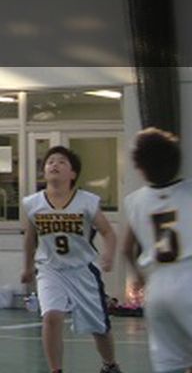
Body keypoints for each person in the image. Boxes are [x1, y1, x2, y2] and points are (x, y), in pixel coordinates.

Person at [21, 146, 122, 373]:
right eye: (50, 162)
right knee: (51, 317)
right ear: (44, 171)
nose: (54, 165)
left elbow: (108, 232)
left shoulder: (86, 201)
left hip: (82, 269)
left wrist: (108, 255)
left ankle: (110, 365)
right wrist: (27, 267)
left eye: (61, 162)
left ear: (73, 173)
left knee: (99, 326)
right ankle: (56, 369)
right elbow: (30, 237)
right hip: (50, 269)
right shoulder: (33, 203)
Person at [122, 127, 191, 373]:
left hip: (157, 290)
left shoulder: (135, 201)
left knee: (170, 364)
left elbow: (126, 249)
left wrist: (136, 276)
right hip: (188, 279)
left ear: (140, 168)